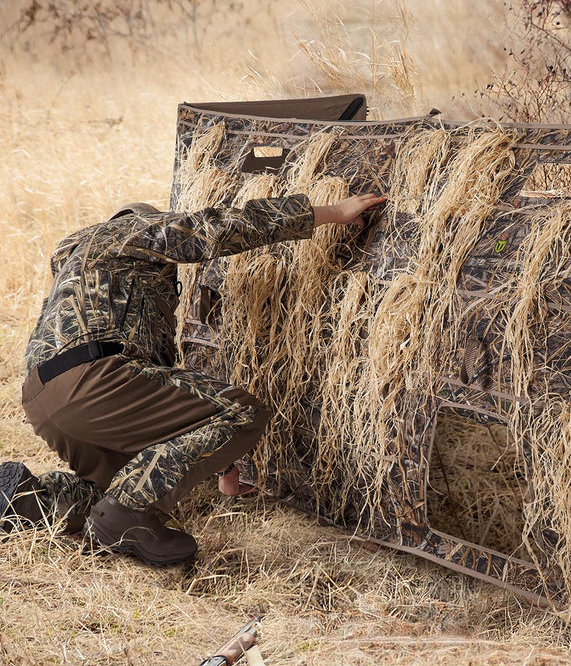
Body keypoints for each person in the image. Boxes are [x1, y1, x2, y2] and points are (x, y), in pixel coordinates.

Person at [0, 191, 386, 566]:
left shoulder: (81, 276)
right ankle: (129, 512)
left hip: (42, 397)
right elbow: (219, 227)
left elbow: (173, 401)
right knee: (241, 412)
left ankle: (25, 497)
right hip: (94, 379)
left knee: (112, 489)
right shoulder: (131, 234)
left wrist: (225, 462)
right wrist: (330, 211)